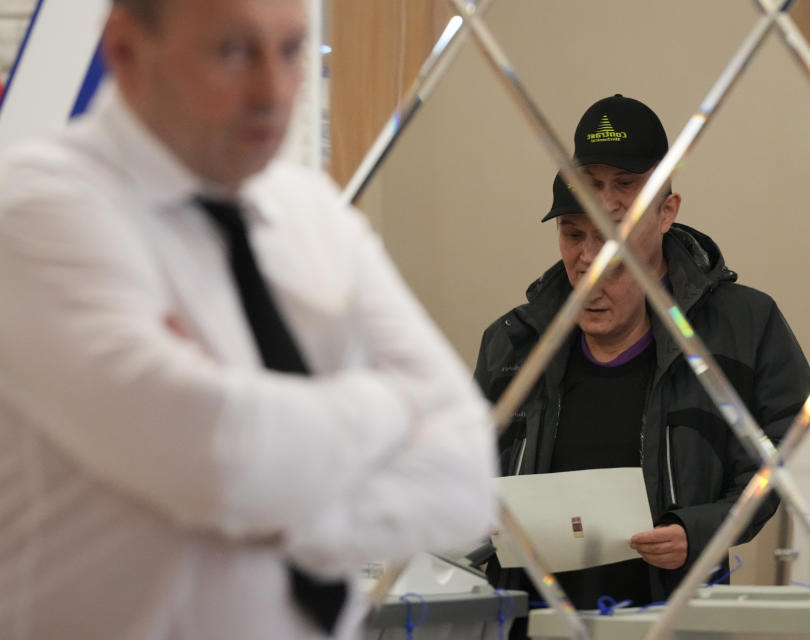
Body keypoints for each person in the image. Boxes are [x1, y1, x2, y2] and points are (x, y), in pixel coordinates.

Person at [0, 0, 497, 638]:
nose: (272, 91)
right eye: (232, 51)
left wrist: (272, 510)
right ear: (125, 51)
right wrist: (393, 404)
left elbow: (464, 473)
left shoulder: (311, 213)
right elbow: (222, 453)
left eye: (291, 50)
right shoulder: (39, 210)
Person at [475, 94, 810, 634]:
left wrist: (700, 530)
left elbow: (785, 455)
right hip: (534, 623)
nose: (589, 259)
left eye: (625, 190)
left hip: (673, 620)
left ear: (667, 211)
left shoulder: (745, 326)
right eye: (573, 234)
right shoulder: (514, 342)